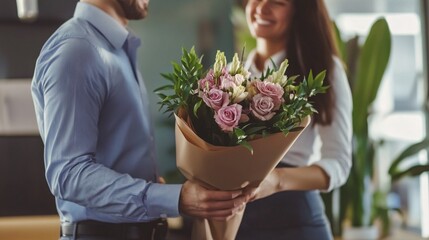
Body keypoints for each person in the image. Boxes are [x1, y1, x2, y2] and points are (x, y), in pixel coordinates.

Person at [31, 0, 251, 239]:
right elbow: (68, 174)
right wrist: (173, 198)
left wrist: (156, 189)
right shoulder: (77, 49)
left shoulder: (114, 48)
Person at [236, 0, 353, 239]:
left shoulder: (324, 70)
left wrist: (277, 180)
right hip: (238, 220)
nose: (262, 7)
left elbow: (339, 162)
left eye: (278, 2)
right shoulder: (228, 77)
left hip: (296, 219)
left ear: (300, 11)